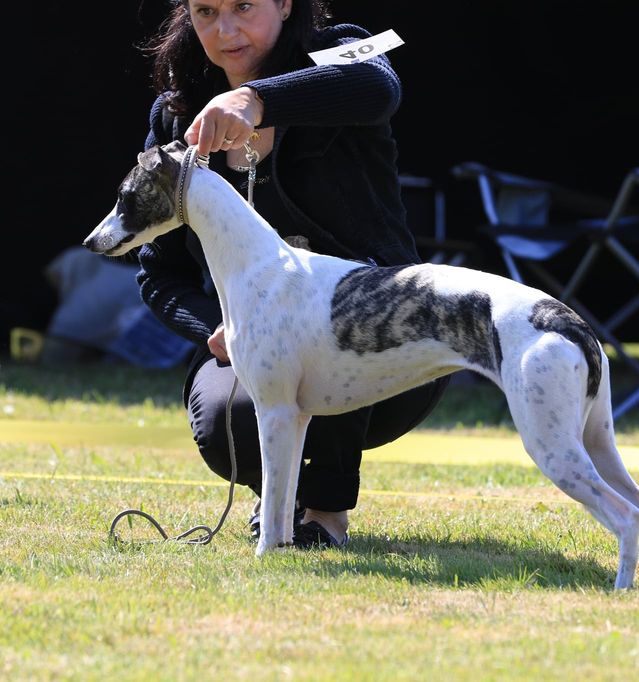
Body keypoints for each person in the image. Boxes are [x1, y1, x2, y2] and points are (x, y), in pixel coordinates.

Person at [135, 0, 449, 548]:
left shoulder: (343, 45)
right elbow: (159, 275)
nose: (226, 29)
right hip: (258, 346)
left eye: (244, 6)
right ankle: (279, 504)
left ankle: (324, 515)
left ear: (284, 3)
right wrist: (218, 325)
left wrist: (257, 99)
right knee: (223, 423)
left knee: (321, 329)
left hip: (391, 339)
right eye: (206, 11)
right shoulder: (174, 115)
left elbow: (379, 86)